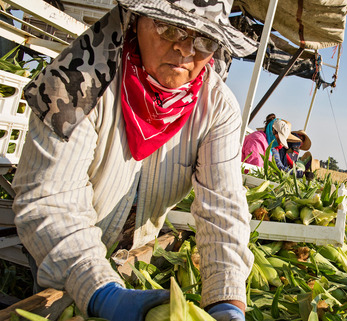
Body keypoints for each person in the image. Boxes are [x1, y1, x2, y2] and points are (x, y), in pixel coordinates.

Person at [12, 1, 257, 320]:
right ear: (135, 21)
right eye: (171, 28)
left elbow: (223, 208)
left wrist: (227, 298)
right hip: (64, 255)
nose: (185, 50)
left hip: (137, 254)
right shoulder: (77, 81)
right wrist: (101, 291)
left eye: (204, 40)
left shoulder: (216, 109)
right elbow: (49, 200)